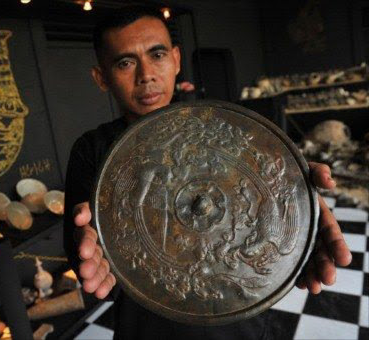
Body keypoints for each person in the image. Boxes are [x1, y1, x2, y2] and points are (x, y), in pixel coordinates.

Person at [63, 7, 352, 339]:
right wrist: (87, 239)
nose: (146, 75)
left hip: (239, 324)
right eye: (125, 63)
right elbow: (81, 253)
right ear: (102, 77)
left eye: (156, 54)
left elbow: (270, 183)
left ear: (175, 58)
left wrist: (296, 186)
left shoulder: (226, 128)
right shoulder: (93, 150)